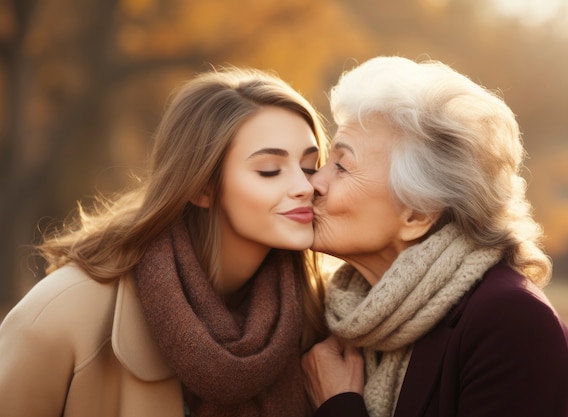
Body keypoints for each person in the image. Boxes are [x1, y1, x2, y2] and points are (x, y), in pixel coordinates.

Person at [0, 66, 329, 417]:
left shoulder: (316, 316)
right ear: (202, 187)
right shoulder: (65, 314)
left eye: (310, 167)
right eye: (270, 170)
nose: (304, 186)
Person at [301, 56, 568, 417]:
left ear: (417, 214)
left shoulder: (511, 322)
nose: (314, 183)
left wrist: (339, 407)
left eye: (341, 166)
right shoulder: (347, 313)